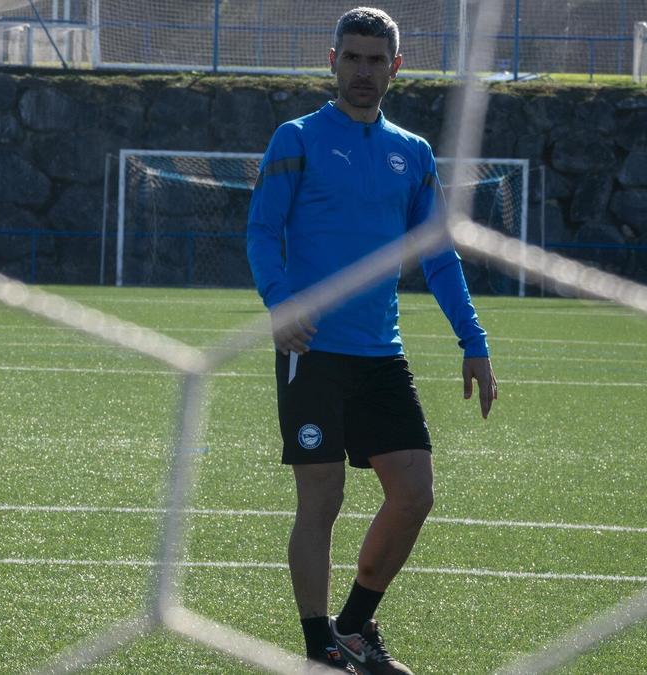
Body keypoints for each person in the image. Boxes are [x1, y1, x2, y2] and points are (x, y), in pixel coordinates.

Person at [246, 7, 497, 674]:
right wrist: (280, 303)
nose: (363, 71)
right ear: (332, 62)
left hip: (380, 353)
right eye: (351, 58)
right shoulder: (296, 138)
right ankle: (318, 647)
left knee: (414, 491)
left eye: (374, 59)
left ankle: (353, 626)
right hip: (312, 351)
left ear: (396, 67)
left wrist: (473, 338)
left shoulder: (411, 154)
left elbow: (439, 258)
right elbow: (261, 231)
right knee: (320, 498)